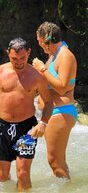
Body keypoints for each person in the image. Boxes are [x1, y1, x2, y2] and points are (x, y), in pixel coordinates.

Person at [0, 37, 53, 190]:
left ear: (29, 53)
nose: (18, 62)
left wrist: (43, 123)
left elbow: (49, 102)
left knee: (23, 174)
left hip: (27, 129)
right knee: (2, 176)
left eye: (22, 58)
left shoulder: (37, 76)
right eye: (14, 58)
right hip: (0, 128)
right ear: (7, 54)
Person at [32, 22, 77, 179]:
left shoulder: (65, 55)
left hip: (61, 112)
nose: (39, 43)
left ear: (45, 38)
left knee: (55, 162)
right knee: (57, 161)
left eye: (39, 40)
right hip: (53, 112)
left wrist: (41, 69)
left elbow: (63, 87)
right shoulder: (54, 55)